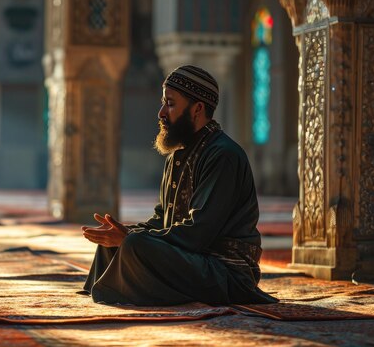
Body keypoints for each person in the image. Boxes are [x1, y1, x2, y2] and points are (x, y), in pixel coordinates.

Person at [81, 65, 277, 306]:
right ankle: (113, 290)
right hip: (192, 258)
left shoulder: (224, 155)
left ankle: (125, 289)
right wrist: (124, 232)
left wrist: (131, 238)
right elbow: (162, 218)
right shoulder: (179, 154)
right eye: (163, 103)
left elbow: (198, 232)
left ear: (197, 109)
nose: (161, 112)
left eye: (170, 104)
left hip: (224, 270)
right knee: (115, 242)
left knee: (132, 243)